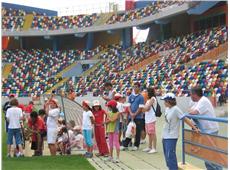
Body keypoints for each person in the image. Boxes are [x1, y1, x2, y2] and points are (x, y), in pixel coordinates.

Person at [161, 93, 199, 170]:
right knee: (166, 155)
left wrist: (194, 128)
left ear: (169, 101)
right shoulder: (167, 109)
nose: (164, 102)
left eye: (165, 101)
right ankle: (170, 168)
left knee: (170, 155)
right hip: (165, 135)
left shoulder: (176, 109)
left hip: (172, 136)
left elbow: (184, 119)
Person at [188, 87, 222, 170]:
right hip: (206, 130)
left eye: (191, 94)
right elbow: (191, 111)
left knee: (209, 155)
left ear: (195, 95)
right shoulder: (198, 101)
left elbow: (193, 112)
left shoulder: (203, 100)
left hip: (210, 130)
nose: (190, 96)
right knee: (208, 154)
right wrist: (190, 112)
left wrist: (190, 112)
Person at [122, 82, 145, 151]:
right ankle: (126, 144)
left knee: (137, 131)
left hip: (138, 117)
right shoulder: (131, 96)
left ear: (139, 88)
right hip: (130, 116)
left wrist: (135, 114)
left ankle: (136, 145)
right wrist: (131, 113)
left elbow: (140, 107)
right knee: (129, 131)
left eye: (136, 87)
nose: (135, 88)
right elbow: (128, 105)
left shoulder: (141, 97)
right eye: (134, 87)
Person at [142, 87, 157, 154]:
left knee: (152, 133)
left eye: (147, 92)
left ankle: (154, 148)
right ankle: (150, 147)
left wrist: (143, 107)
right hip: (147, 119)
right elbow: (144, 109)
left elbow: (147, 108)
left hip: (151, 119)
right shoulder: (148, 100)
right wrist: (144, 108)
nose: (146, 93)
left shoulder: (152, 98)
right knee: (149, 133)